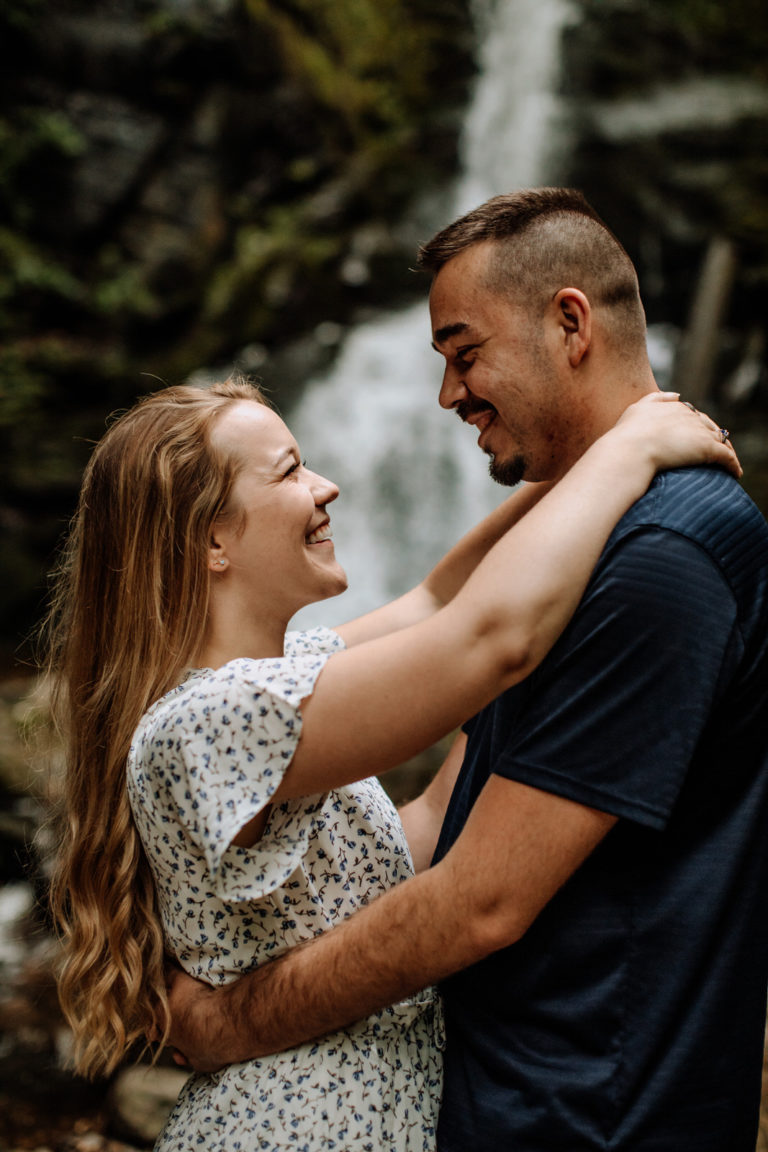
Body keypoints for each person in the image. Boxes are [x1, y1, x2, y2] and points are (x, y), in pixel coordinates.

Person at [162, 189, 768, 1152]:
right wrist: (620, 450)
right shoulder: (571, 562)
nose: (448, 394)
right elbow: (462, 639)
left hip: (589, 1115)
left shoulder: (660, 557)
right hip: (504, 1099)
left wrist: (232, 1021)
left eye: (464, 352)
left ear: (570, 323)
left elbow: (477, 888)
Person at [48, 366, 729, 1150]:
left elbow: (439, 605)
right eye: (291, 471)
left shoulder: (278, 683)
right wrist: (632, 450)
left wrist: (596, 450)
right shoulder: (213, 719)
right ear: (210, 540)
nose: (328, 485)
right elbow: (484, 636)